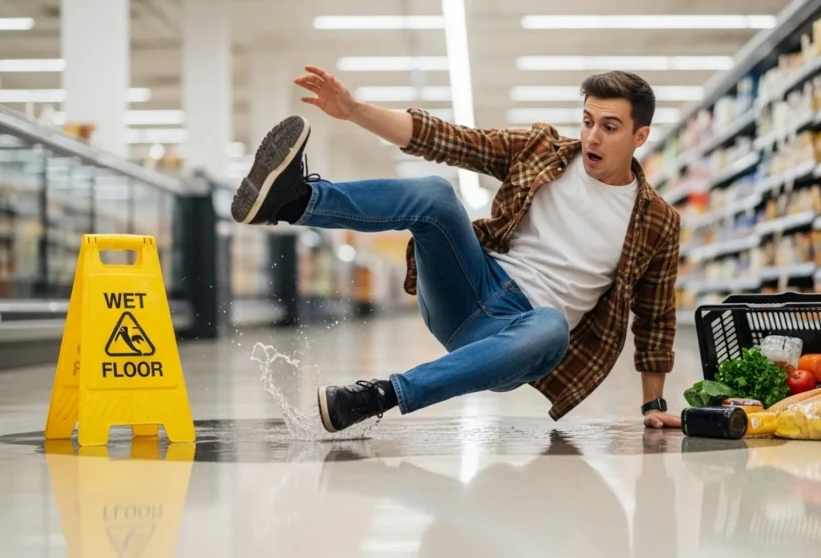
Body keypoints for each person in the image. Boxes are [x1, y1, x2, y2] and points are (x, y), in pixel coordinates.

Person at [231, 65, 682, 433]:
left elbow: (655, 317)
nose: (592, 138)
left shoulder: (658, 222)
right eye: (587, 122)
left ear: (639, 136)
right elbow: (447, 140)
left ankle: (377, 396)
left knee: (552, 327)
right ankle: (294, 202)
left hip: (519, 335)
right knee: (435, 194)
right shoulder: (544, 151)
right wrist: (353, 110)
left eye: (610, 127)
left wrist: (654, 403)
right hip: (469, 283)